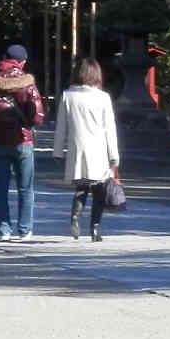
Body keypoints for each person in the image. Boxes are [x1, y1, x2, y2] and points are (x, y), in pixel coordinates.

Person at [0, 43, 45, 239]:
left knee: (1, 189)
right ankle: (25, 230)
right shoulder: (27, 83)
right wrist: (28, 124)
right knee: (26, 188)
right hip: (23, 141)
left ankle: (4, 230)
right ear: (22, 62)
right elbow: (38, 115)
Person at [53, 56, 121, 241]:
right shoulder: (103, 98)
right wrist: (114, 156)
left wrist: (58, 152)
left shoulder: (68, 96)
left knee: (81, 188)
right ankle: (95, 229)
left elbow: (61, 127)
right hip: (98, 151)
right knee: (99, 191)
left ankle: (76, 216)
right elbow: (109, 129)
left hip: (77, 150)